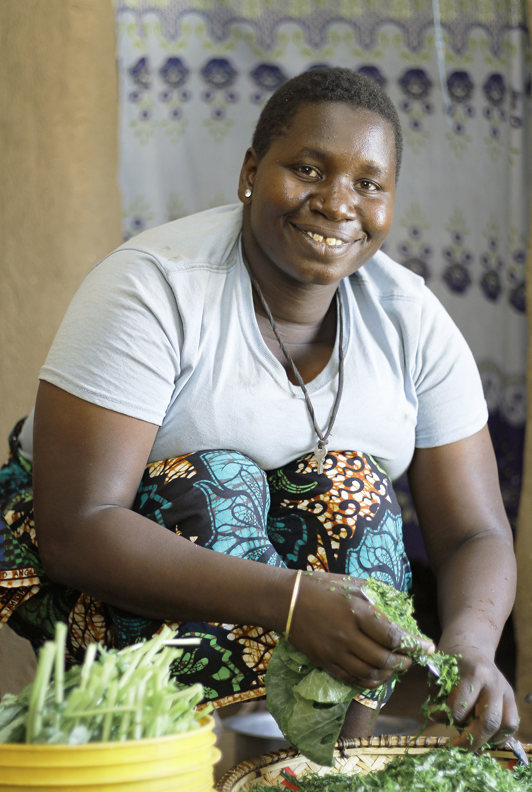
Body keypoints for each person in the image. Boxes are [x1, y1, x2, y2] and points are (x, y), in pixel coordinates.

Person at [0, 67, 518, 749]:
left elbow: (475, 534)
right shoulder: (154, 288)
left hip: (278, 592)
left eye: (368, 183)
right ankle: (187, 754)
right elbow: (78, 525)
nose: (337, 203)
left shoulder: (409, 319)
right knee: (221, 485)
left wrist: (471, 648)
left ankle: (331, 761)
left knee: (355, 492)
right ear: (250, 171)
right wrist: (293, 602)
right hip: (94, 570)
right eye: (308, 168)